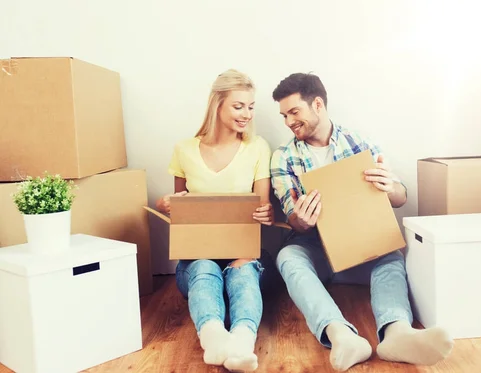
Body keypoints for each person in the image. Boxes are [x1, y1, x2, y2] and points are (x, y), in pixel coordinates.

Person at [269, 72, 454, 371]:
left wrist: (389, 186)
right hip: (314, 245)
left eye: (294, 112)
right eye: (284, 115)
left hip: (359, 243)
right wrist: (301, 220)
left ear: (317, 104)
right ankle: (340, 335)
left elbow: (400, 196)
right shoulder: (283, 157)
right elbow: (294, 219)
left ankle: (397, 333)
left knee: (390, 254)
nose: (289, 121)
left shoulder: (358, 143)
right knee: (288, 257)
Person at [156, 69, 274, 372]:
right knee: (206, 268)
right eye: (238, 106)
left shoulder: (257, 147)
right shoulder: (184, 150)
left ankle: (241, 344)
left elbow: (262, 210)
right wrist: (169, 205)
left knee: (245, 274)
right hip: (197, 263)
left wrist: (267, 214)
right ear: (217, 105)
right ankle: (214, 340)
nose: (246, 114)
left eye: (250, 106)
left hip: (243, 256)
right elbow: (181, 214)